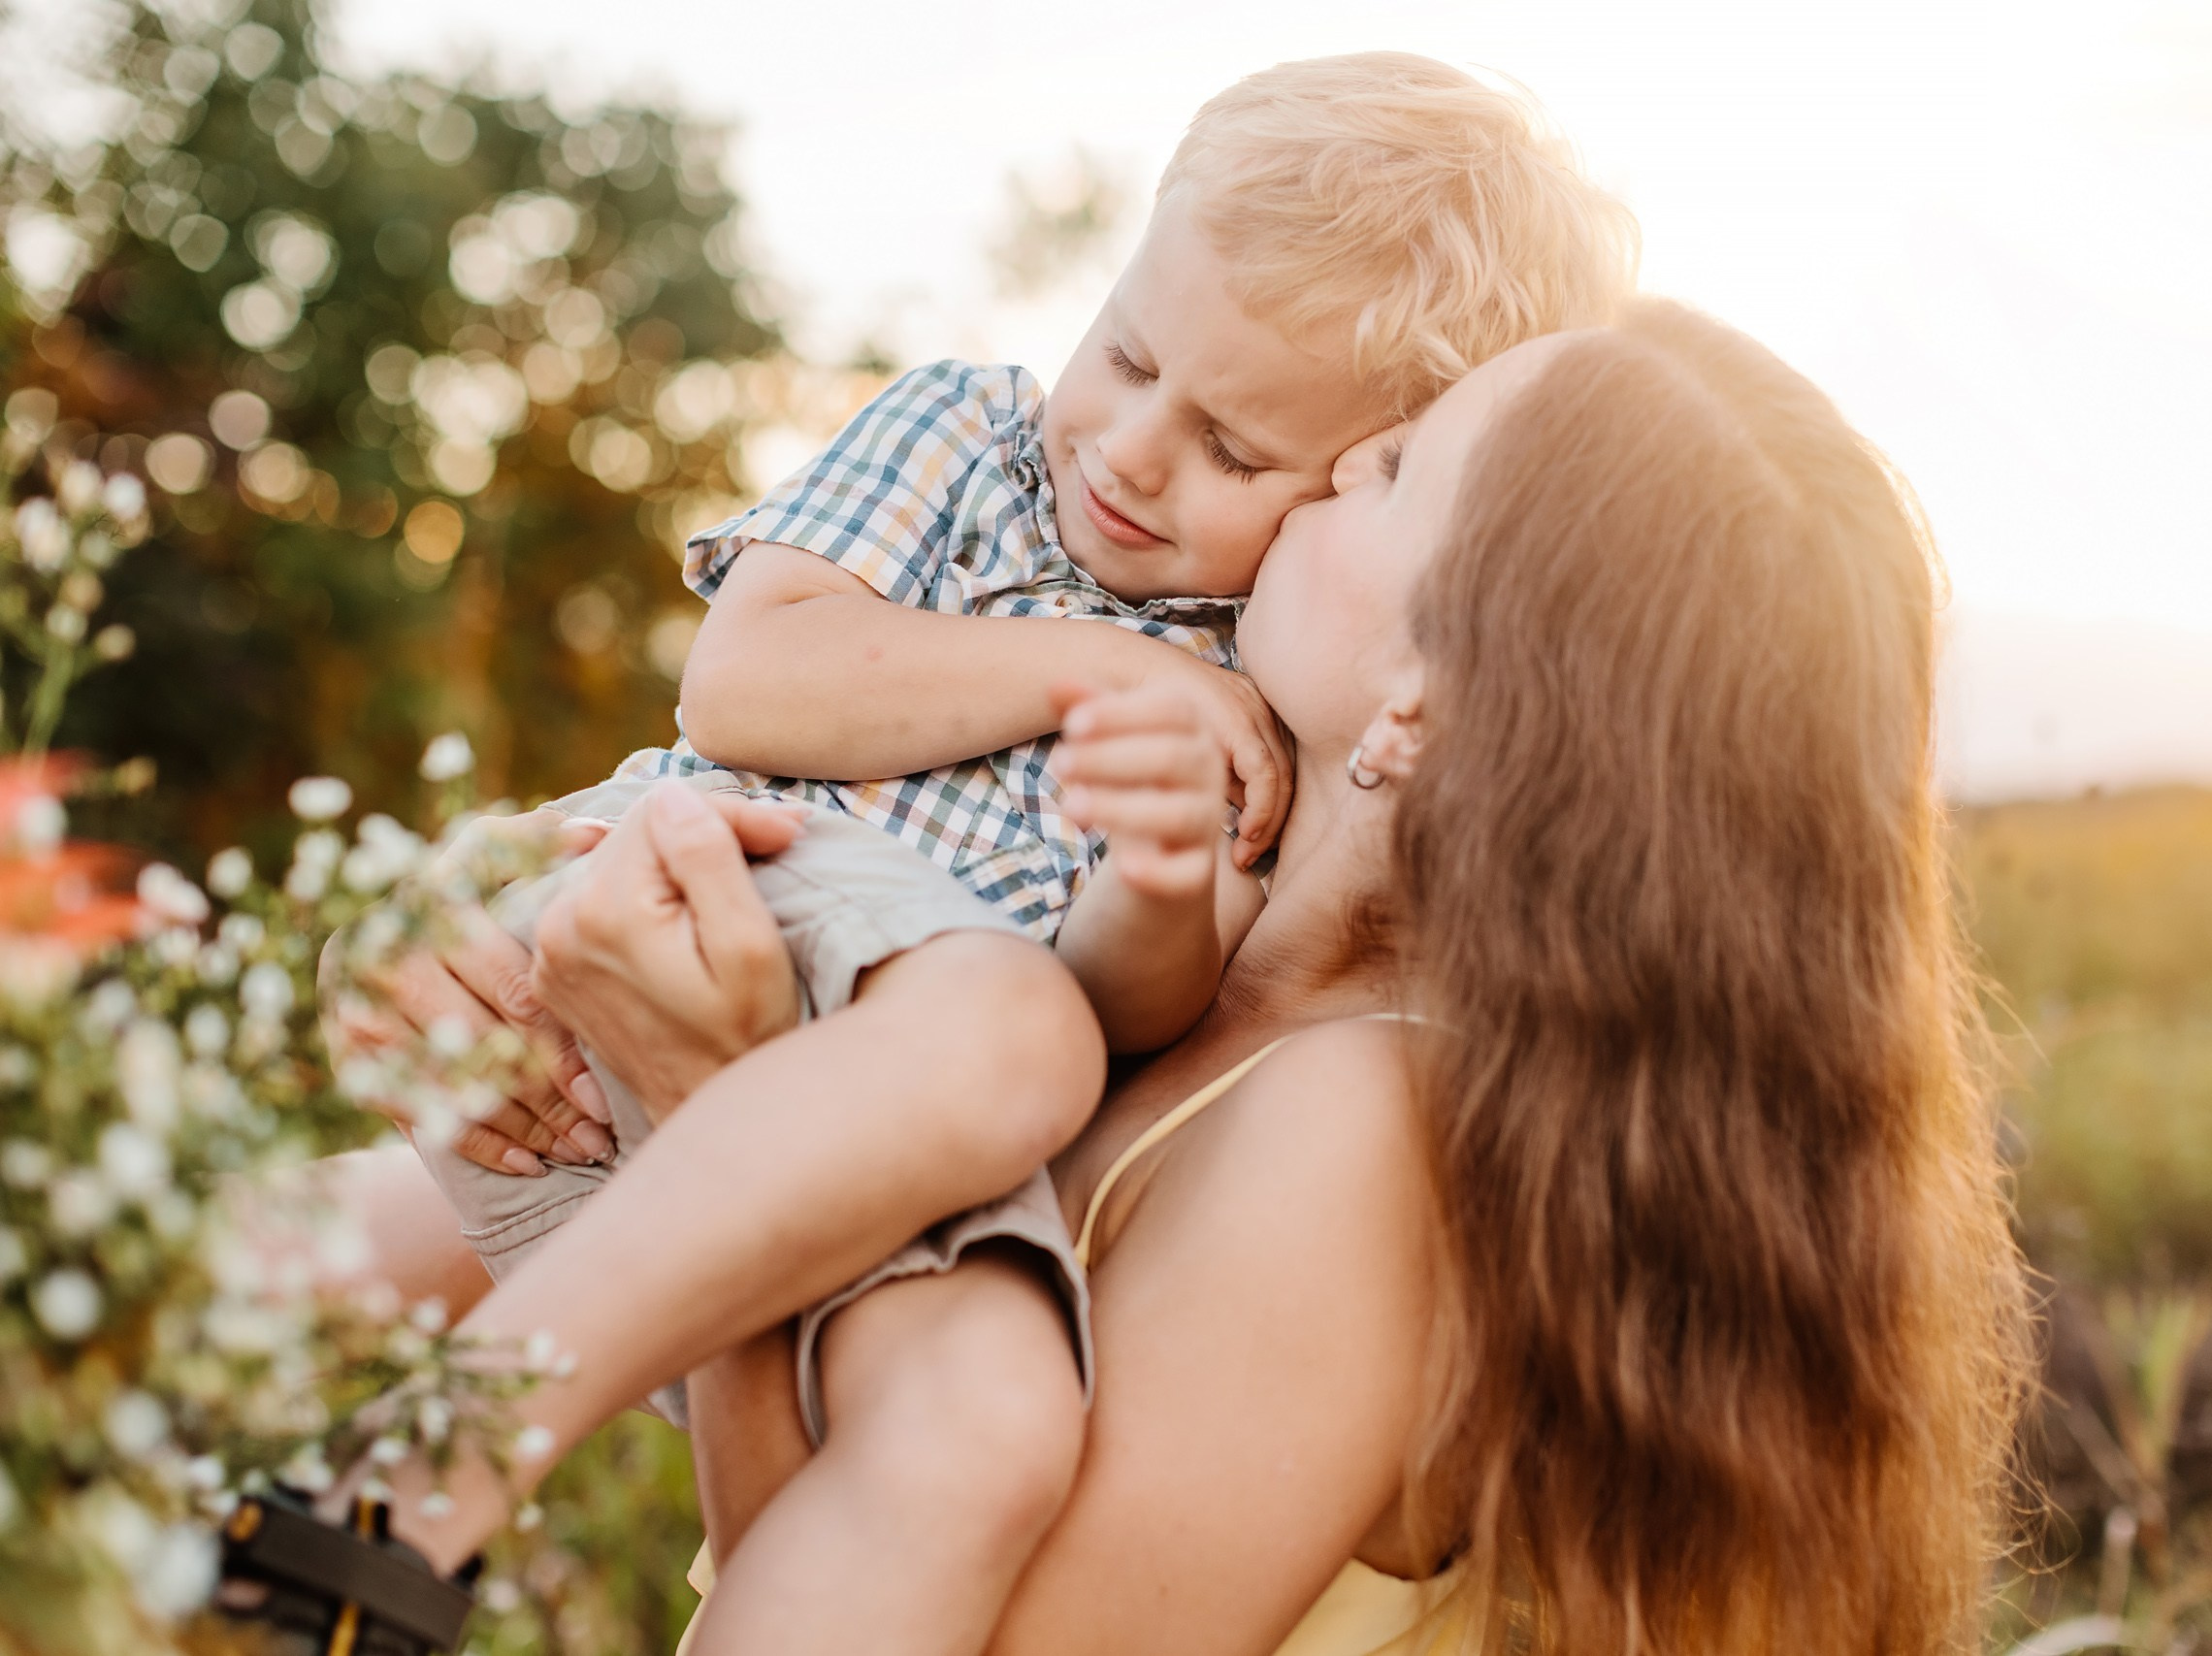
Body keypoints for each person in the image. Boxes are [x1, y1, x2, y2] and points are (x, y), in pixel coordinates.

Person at [284, 305, 2033, 1656]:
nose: (1335, 468)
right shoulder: (1149, 952)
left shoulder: (1365, 1139)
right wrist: (503, 929)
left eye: (1400, 472)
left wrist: (711, 1111)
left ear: (1437, 697)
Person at [283, 49, 1636, 1655]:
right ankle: (275, 1448)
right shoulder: (1005, 481)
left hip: (765, 1085)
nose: (1135, 454)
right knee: (283, 1257)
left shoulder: (1332, 1084)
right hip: (733, 928)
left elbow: (809, 1561)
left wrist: (728, 1089)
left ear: (1444, 665)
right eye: (1126, 354)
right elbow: (746, 687)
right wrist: (422, 921)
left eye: (1368, 468)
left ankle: (379, 1485)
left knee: (976, 1427)